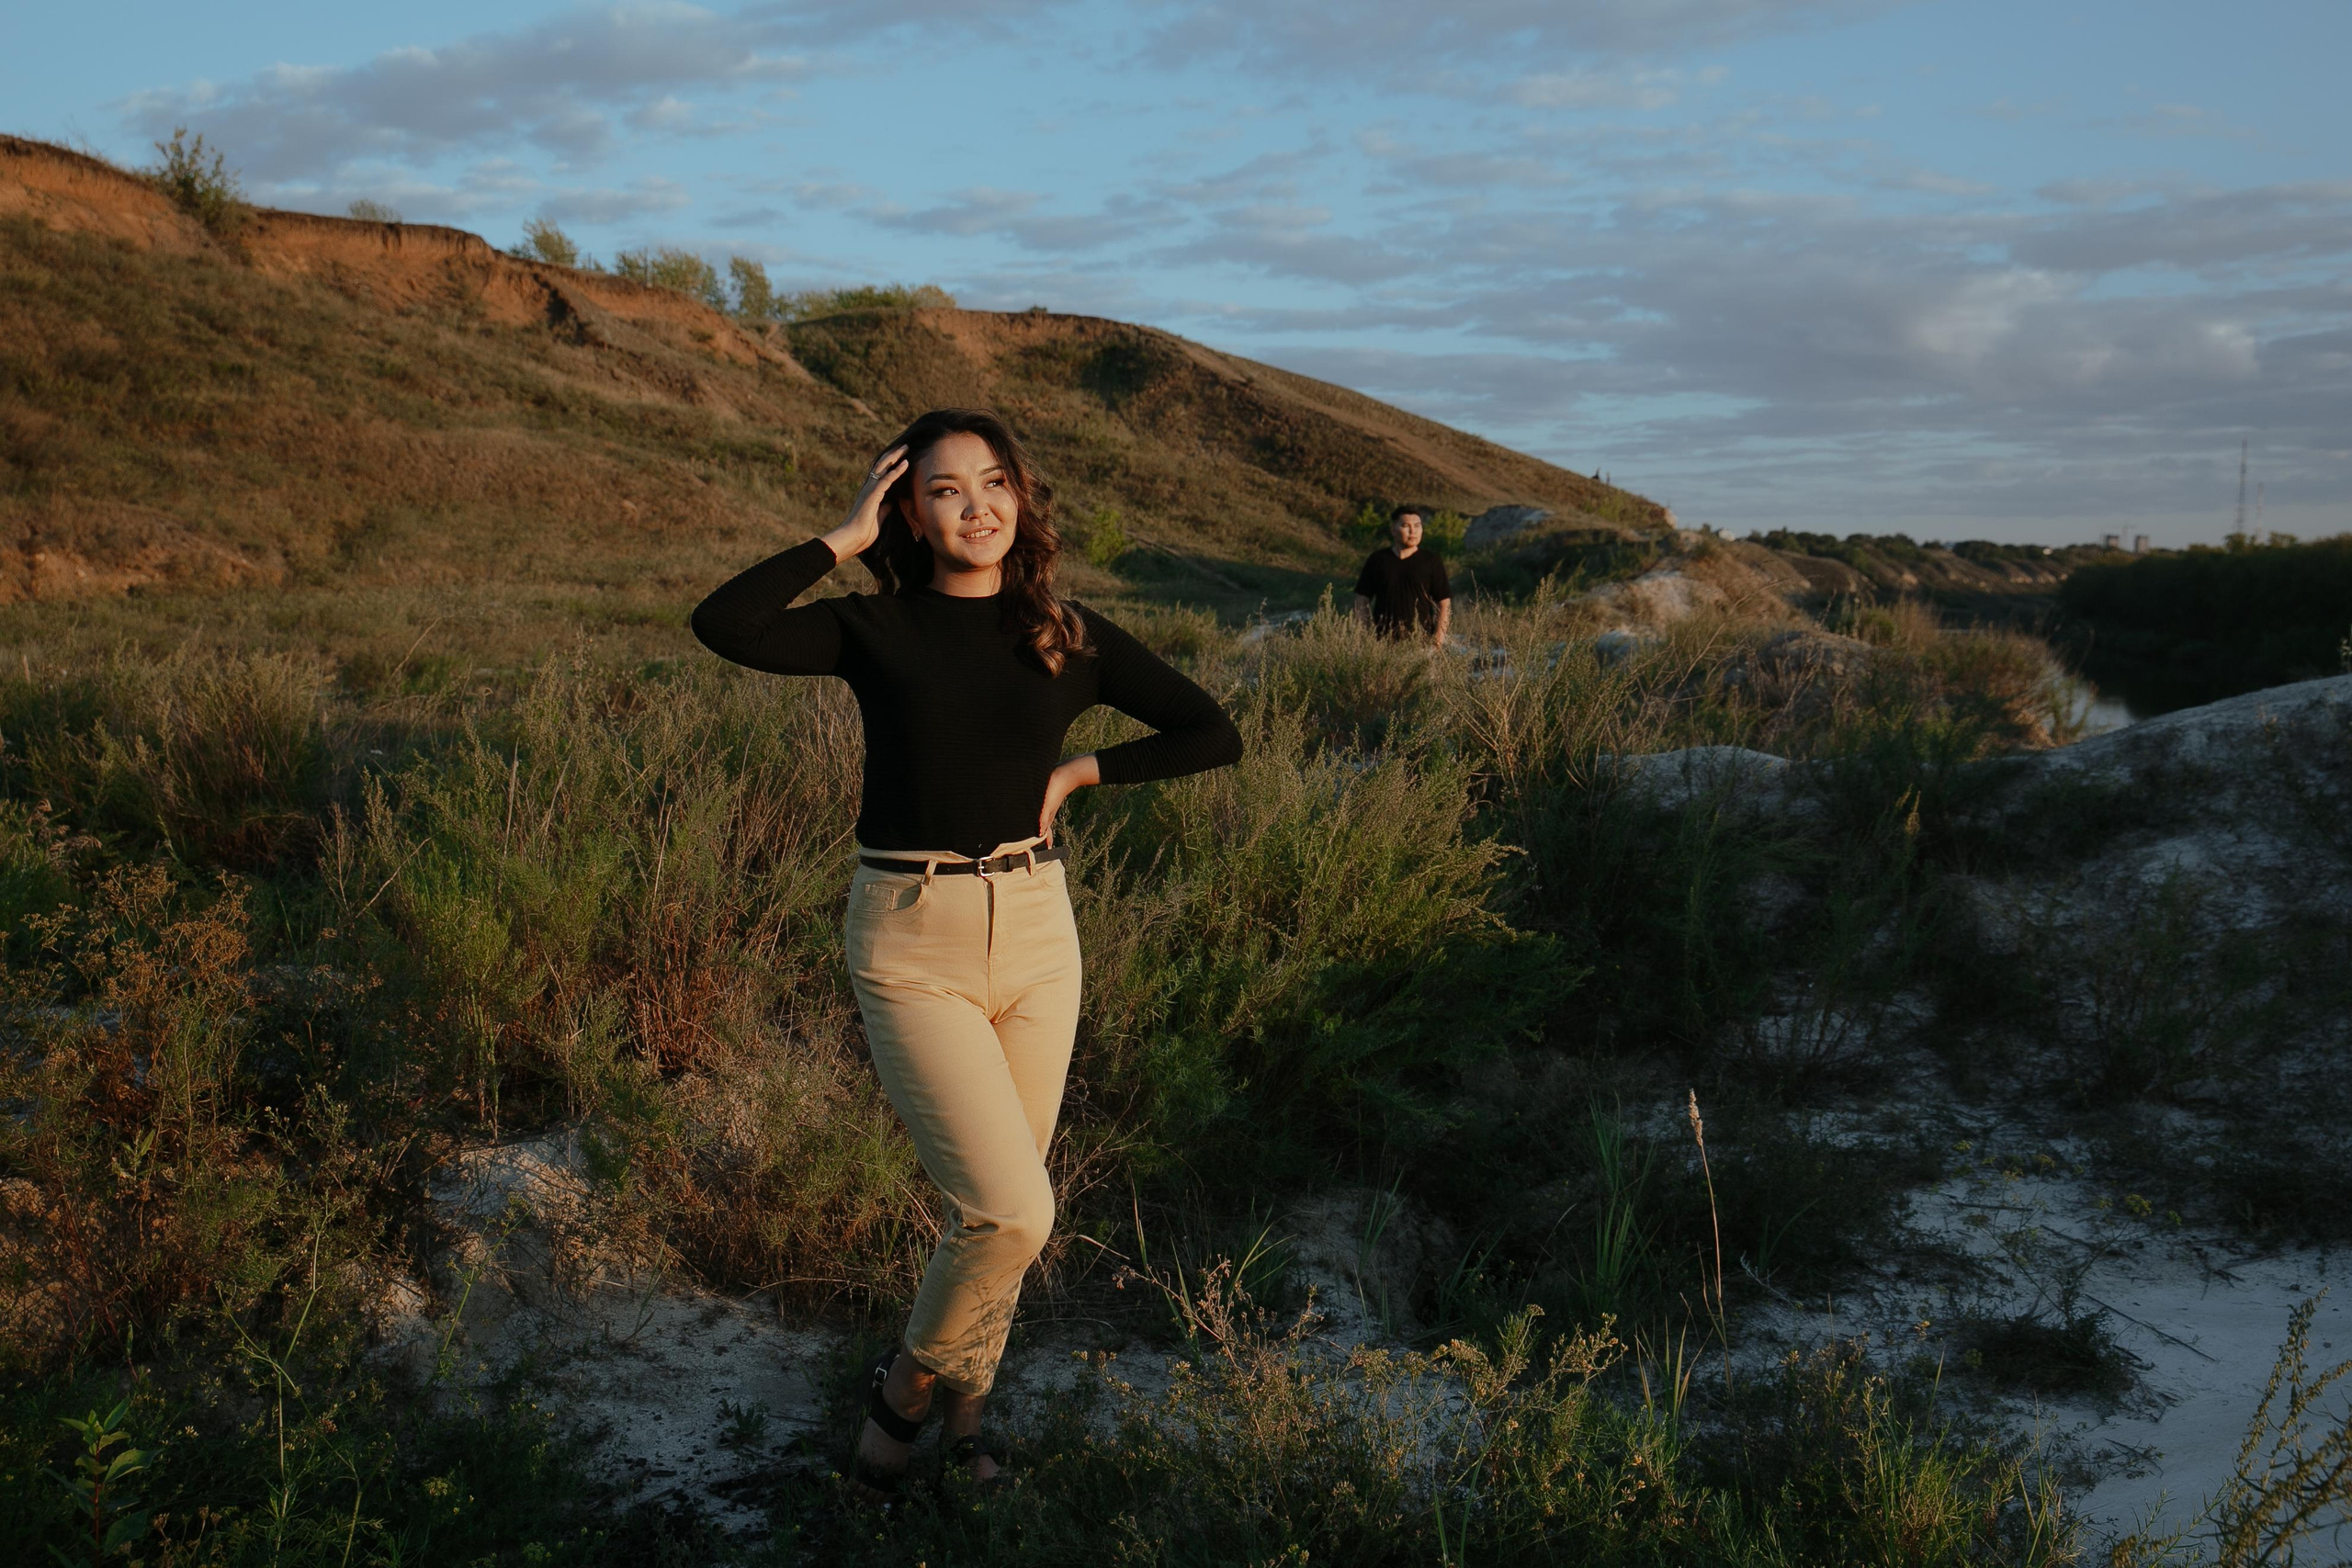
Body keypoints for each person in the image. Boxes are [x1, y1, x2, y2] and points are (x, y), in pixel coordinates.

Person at [689, 408, 1241, 1496]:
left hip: (1038, 932)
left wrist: (1081, 776)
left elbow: (1209, 731)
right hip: (911, 939)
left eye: (992, 483)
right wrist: (839, 540)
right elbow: (726, 622)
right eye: (943, 489)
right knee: (1014, 1212)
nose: (975, 506)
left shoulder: (1066, 633)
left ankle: (965, 1413)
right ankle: (903, 1393)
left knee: (988, 1215)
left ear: (1021, 498)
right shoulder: (875, 627)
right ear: (910, 508)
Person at [1351, 505, 1453, 645]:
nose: (1413, 531)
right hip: (1382, 643)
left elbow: (1444, 603)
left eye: (1417, 526)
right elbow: (1361, 599)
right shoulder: (1378, 560)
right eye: (1406, 526)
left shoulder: (1431, 561)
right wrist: (1365, 635)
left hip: (1421, 644)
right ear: (1393, 530)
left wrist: (1438, 640)